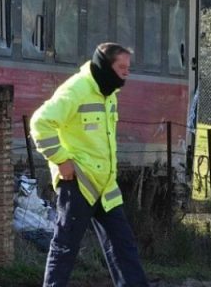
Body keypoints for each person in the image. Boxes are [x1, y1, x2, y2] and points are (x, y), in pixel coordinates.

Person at [29, 42, 148, 287]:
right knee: (65, 247)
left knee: (124, 246)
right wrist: (61, 160)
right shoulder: (77, 89)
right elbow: (40, 123)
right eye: (122, 67)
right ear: (105, 66)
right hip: (79, 183)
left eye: (128, 67)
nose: (127, 72)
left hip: (105, 186)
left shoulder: (109, 93)